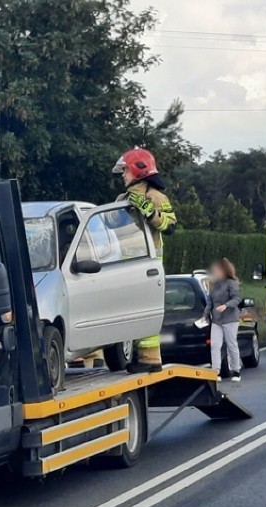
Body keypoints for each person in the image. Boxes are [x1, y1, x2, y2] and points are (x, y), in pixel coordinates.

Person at [112, 147, 177, 374]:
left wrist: (149, 211)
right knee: (130, 312)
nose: (122, 175)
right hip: (124, 265)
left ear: (138, 170)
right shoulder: (122, 199)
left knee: (145, 312)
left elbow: (170, 226)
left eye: (125, 171)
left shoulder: (156, 197)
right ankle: (130, 357)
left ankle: (150, 359)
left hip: (148, 265)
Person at [202, 258, 243, 381]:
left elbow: (237, 298)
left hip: (230, 319)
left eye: (217, 270)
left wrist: (226, 306)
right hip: (217, 320)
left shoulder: (231, 283)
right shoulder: (213, 284)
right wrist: (205, 315)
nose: (214, 272)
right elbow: (210, 301)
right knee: (215, 345)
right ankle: (216, 371)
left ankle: (236, 371)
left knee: (231, 344)